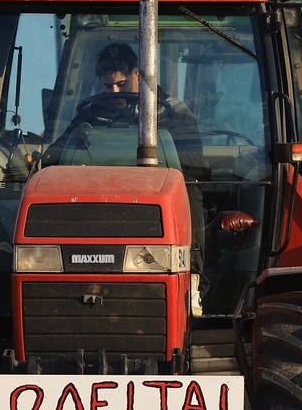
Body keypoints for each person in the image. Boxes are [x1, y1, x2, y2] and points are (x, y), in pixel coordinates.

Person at [43, 43, 210, 276]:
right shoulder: (91, 114)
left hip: (154, 191)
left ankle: (193, 280)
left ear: (138, 74)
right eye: (107, 85)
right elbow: (55, 155)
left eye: (121, 84)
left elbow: (194, 159)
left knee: (189, 188)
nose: (114, 93)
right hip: (101, 194)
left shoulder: (172, 112)